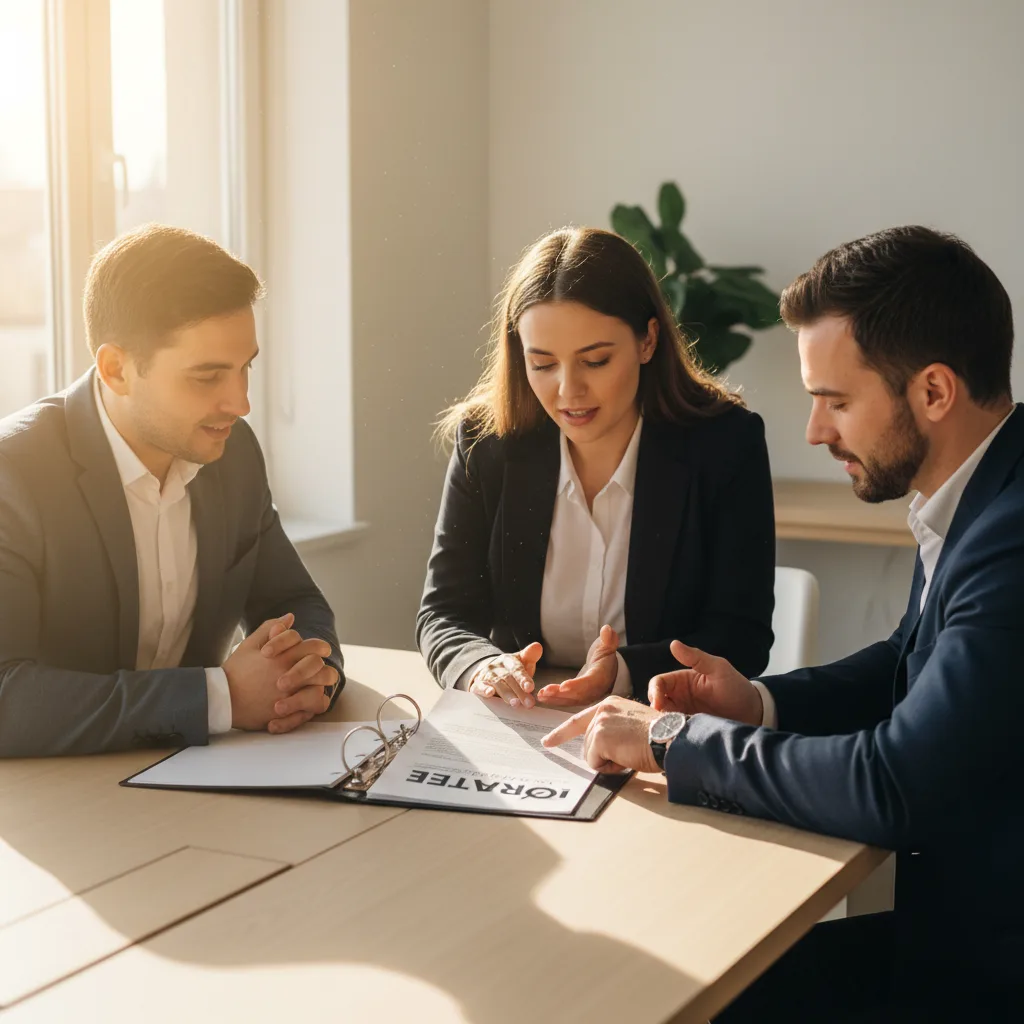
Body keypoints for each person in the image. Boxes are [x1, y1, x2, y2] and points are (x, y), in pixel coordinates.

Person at [543, 225, 1023, 1019]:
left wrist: (672, 742)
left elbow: (893, 783)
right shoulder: (975, 494)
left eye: (836, 401)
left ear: (934, 392)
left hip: (984, 968)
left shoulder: (1011, 536)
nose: (815, 430)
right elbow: (907, 659)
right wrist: (759, 705)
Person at [0, 225, 343, 757]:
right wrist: (219, 698)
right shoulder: (14, 473)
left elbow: (291, 600)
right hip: (56, 803)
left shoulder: (232, 452)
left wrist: (309, 677)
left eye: (244, 368)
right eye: (207, 377)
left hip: (201, 782)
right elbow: (6, 698)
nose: (240, 403)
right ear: (116, 369)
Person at [417, 226, 775, 711]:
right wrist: (483, 665)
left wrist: (623, 670)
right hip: (523, 719)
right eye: (542, 364)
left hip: (654, 721)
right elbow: (444, 612)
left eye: (596, 361)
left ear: (648, 341)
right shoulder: (487, 444)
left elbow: (741, 636)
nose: (569, 392)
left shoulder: (725, 444)